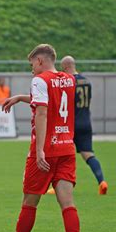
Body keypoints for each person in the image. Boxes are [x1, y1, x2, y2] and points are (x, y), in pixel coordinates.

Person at [0, 44, 81, 232]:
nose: (31, 68)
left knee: (30, 202)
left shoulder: (40, 80)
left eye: (32, 63)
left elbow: (42, 112)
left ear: (40, 61)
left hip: (45, 151)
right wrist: (20, 97)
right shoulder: (69, 80)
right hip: (66, 149)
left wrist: (40, 149)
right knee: (68, 203)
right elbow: (52, 98)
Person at [46, 56, 108, 195]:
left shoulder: (68, 82)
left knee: (58, 154)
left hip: (70, 124)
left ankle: (56, 187)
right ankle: (102, 181)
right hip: (86, 122)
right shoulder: (87, 81)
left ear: (66, 66)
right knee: (88, 154)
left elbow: (64, 103)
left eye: (62, 68)